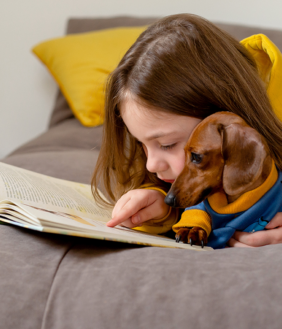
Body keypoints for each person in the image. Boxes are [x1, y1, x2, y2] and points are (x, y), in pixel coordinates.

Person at [91, 13, 282, 248]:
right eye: (141, 143)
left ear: (224, 115)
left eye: (167, 144)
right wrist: (162, 206)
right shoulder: (161, 162)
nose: (151, 165)